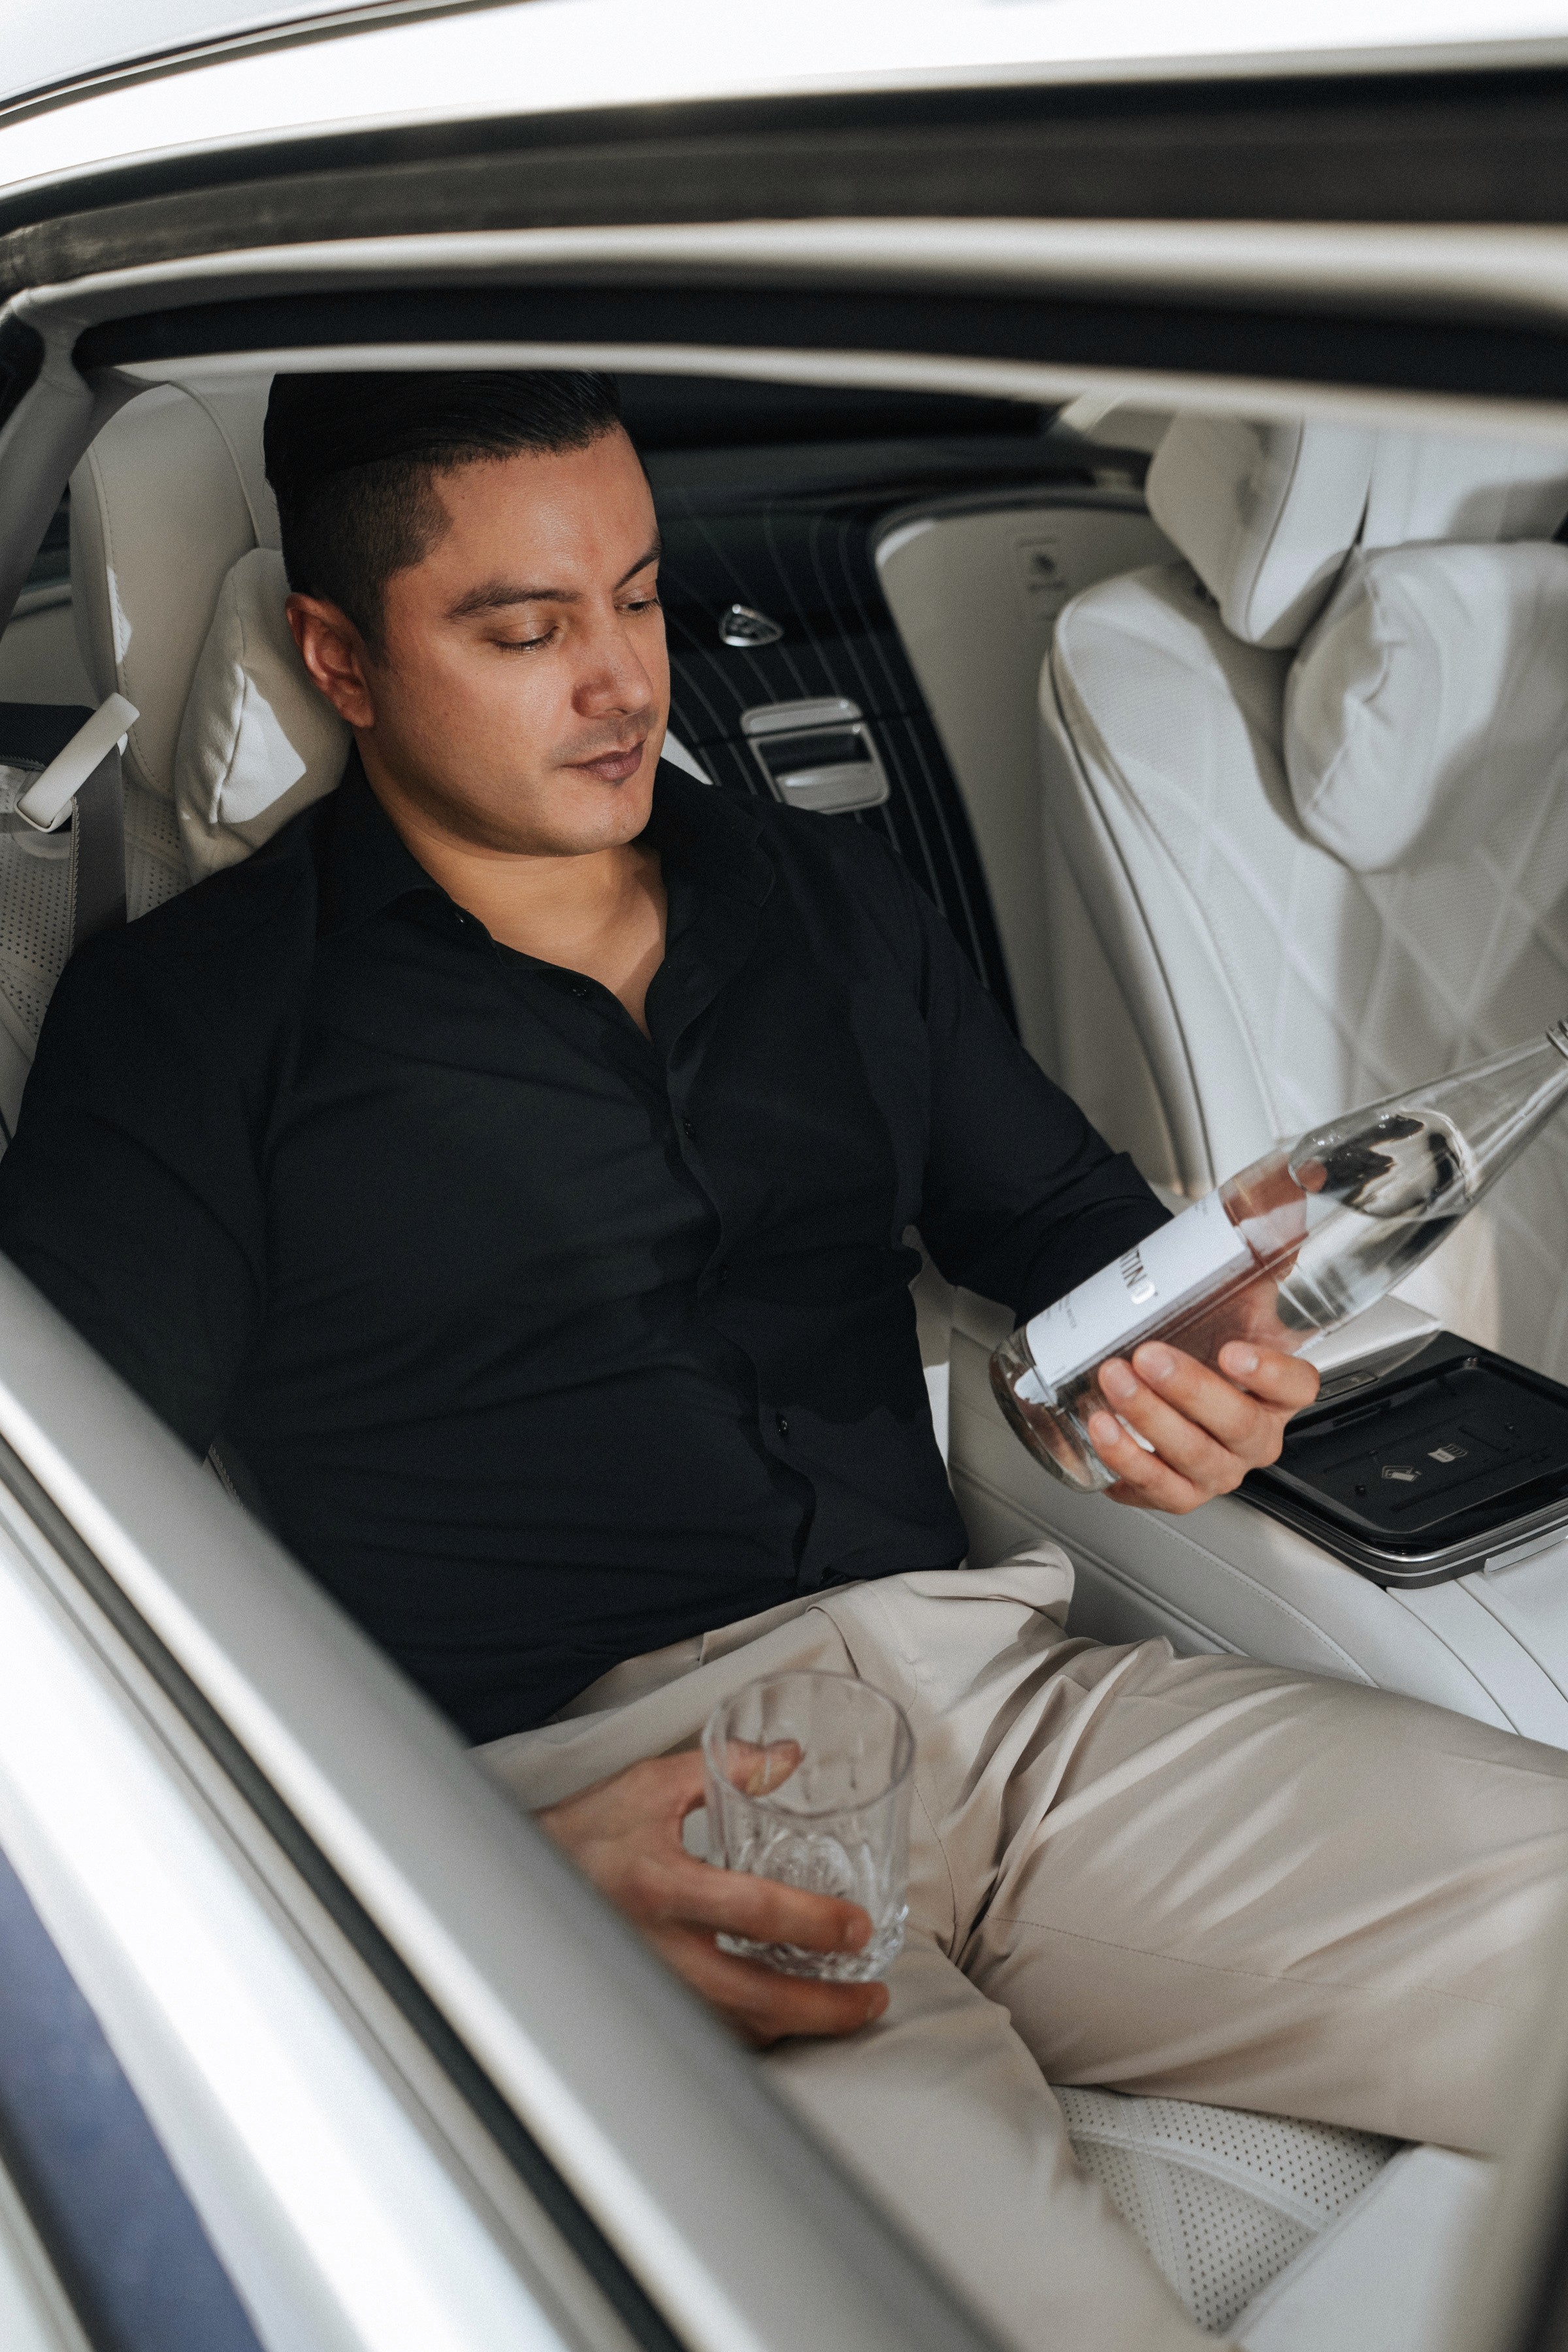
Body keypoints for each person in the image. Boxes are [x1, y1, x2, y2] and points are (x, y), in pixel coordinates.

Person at [1, 370, 1565, 2352]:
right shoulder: (194, 1022)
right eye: (522, 628)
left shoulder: (830, 899)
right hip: (608, 1805)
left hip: (1012, 1702)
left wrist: (1190, 1355)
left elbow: (1064, 1232)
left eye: (641, 600)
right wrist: (467, 1872)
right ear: (344, 658)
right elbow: (60, 1576)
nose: (621, 682)